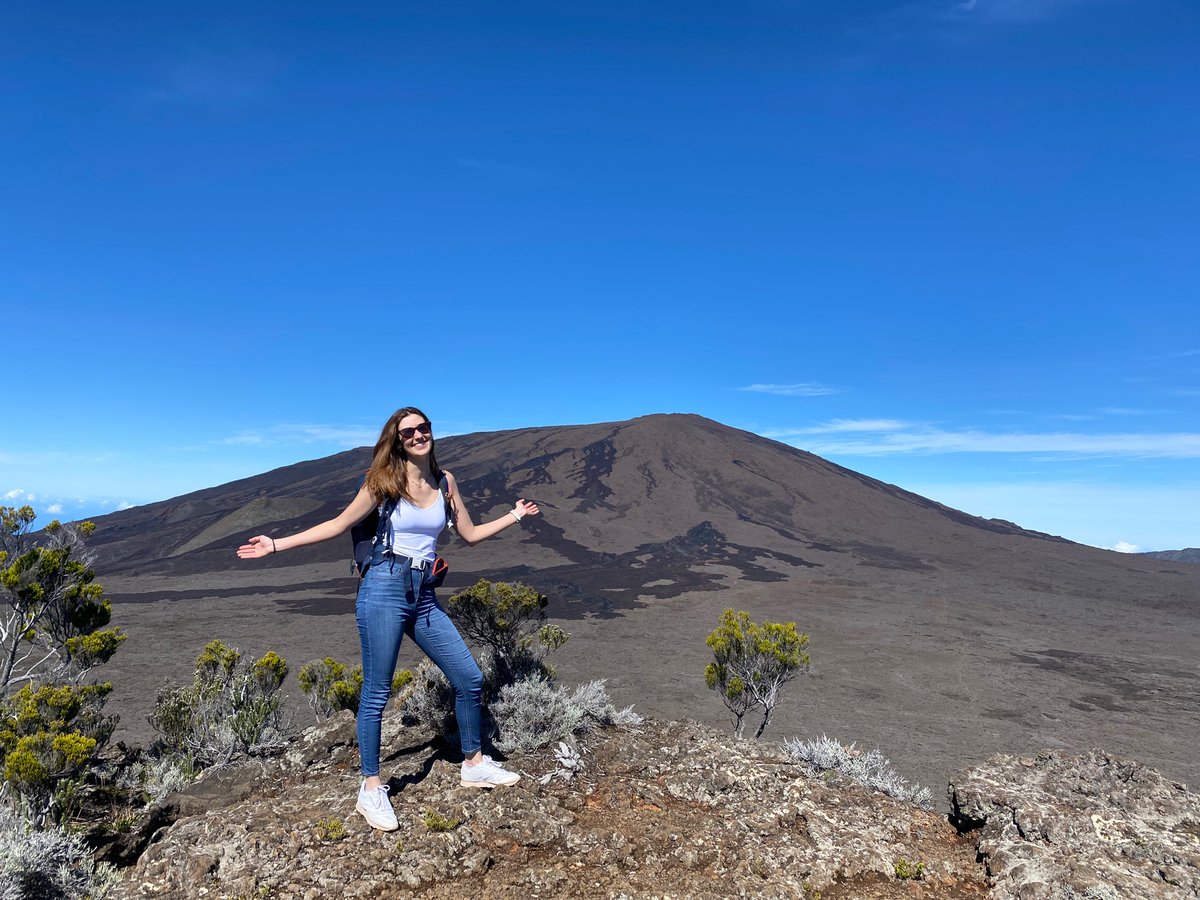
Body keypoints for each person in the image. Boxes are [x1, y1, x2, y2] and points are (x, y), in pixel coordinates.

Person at [237, 406, 540, 832]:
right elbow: (340, 523)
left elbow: (469, 535)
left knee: (469, 677)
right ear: (397, 440)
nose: (418, 436)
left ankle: (473, 763)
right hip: (383, 586)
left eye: (424, 428)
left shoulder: (445, 481)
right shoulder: (384, 481)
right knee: (377, 692)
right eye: (409, 432)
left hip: (424, 593)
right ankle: (371, 788)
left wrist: (515, 515)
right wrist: (276, 545)